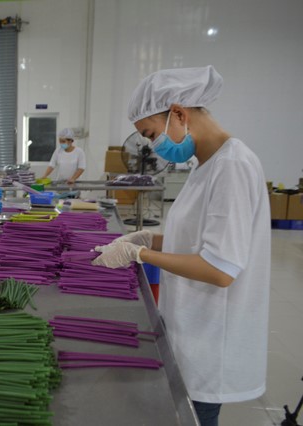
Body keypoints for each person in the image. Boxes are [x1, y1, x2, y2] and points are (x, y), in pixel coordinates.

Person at [92, 66, 270, 426]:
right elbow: (196, 238)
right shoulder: (205, 164)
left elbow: (220, 269)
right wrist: (146, 237)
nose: (153, 145)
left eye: (151, 134)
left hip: (210, 340)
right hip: (192, 330)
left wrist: (140, 254)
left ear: (178, 113)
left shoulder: (232, 166)